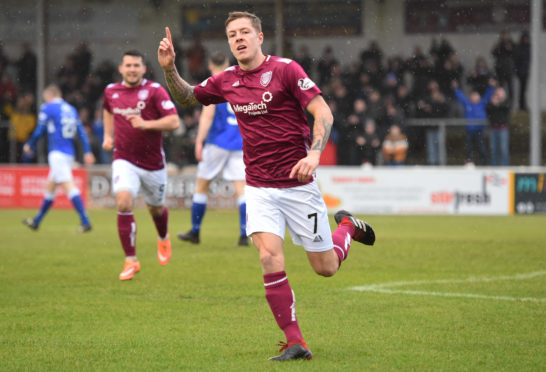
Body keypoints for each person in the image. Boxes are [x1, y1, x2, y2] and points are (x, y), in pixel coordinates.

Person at [158, 11, 376, 361]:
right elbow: (187, 97)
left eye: (245, 32)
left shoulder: (287, 69)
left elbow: (324, 113)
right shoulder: (226, 79)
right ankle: (295, 342)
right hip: (258, 186)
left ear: (260, 37)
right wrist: (169, 68)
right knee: (268, 256)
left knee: (325, 268)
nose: (239, 38)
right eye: (232, 35)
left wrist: (315, 155)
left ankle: (347, 227)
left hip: (298, 185)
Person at [102, 50, 180, 281]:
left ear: (144, 69)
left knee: (156, 208)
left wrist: (146, 124)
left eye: (137, 65)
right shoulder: (110, 91)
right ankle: (131, 260)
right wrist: (108, 136)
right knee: (124, 201)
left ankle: (163, 237)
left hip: (153, 164)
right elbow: (107, 110)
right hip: (124, 159)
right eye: (128, 65)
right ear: (121, 68)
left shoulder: (155, 91)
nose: (132, 69)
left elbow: (174, 121)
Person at [177, 51, 248, 246]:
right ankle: (244, 234)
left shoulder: (215, 82)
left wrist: (199, 141)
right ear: (228, 62)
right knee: (241, 190)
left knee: (202, 186)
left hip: (217, 142)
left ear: (210, 66)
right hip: (239, 142)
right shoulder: (240, 81)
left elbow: (207, 116)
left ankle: (195, 231)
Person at [22, 84, 95, 231]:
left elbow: (39, 130)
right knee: (51, 187)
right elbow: (81, 132)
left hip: (57, 153)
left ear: (49, 96)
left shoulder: (48, 108)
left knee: (69, 186)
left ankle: (85, 221)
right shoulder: (71, 109)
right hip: (68, 153)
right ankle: (36, 221)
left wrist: (30, 144)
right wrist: (87, 151)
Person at [452, 79, 495, 165]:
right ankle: (470, 164)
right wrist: (456, 89)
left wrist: (491, 86)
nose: (474, 97)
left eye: (476, 96)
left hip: (479, 130)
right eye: (473, 96)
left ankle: (484, 164)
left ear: (479, 97)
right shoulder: (468, 104)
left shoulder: (482, 103)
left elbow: (488, 95)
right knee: (469, 149)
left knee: (482, 148)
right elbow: (461, 97)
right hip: (470, 131)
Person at [486, 87, 511, 166]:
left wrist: (498, 103)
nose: (499, 95)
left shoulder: (506, 102)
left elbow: (505, 108)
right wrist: (494, 103)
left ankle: (505, 167)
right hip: (494, 129)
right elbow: (487, 109)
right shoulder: (491, 103)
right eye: (498, 93)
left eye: (500, 93)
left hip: (503, 129)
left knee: (504, 150)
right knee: (494, 150)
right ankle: (494, 167)